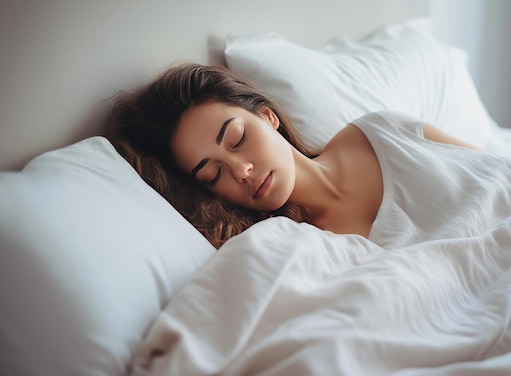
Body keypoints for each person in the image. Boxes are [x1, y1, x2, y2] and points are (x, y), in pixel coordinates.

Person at [105, 64, 479, 248]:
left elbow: (503, 175)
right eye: (212, 174)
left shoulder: (382, 132)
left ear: (267, 116)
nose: (241, 170)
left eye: (236, 139)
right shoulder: (288, 246)